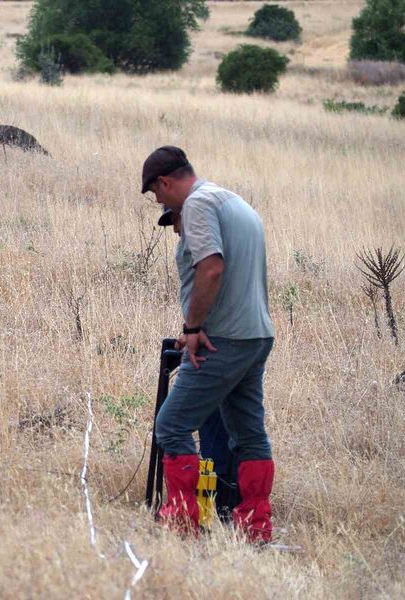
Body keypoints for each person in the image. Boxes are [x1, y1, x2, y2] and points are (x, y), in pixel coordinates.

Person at [143, 146, 275, 542]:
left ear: (165, 182)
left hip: (224, 340)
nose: (159, 203)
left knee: (171, 424)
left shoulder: (197, 204)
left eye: (155, 194)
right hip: (256, 335)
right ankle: (254, 526)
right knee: (249, 434)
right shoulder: (233, 201)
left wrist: (193, 326)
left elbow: (212, 267)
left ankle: (182, 524)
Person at [159, 207, 240, 521]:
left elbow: (215, 296)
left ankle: (200, 510)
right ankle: (224, 505)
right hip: (225, 343)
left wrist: (194, 332)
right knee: (230, 427)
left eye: (177, 221)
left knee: (182, 425)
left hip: (217, 349)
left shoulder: (210, 251)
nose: (176, 229)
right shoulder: (206, 247)